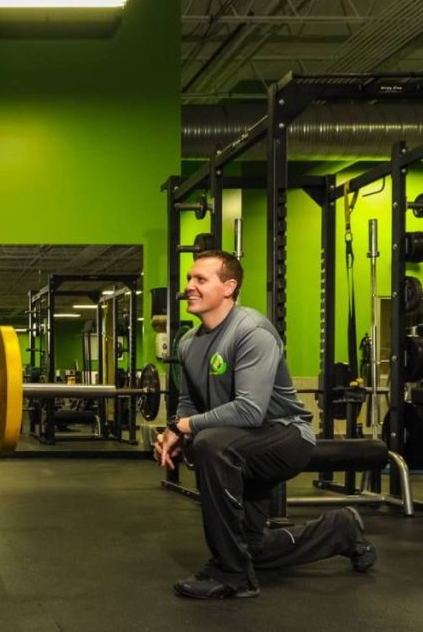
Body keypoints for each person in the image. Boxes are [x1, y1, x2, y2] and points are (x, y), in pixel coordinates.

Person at [154, 250, 376, 600]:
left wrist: (186, 428)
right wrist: (173, 430)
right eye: (188, 279)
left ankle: (232, 575)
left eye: (200, 279)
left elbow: (250, 411)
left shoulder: (251, 331)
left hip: (284, 435)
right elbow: (189, 402)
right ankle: (341, 530)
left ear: (229, 287)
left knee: (210, 445)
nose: (189, 287)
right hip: (240, 444)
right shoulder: (188, 343)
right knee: (250, 547)